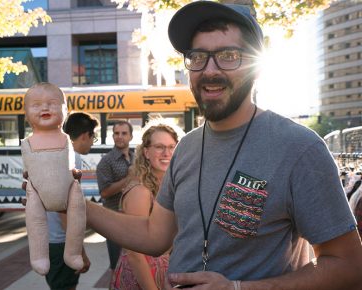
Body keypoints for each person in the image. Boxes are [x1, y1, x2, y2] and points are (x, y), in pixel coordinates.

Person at [28, 2, 362, 289]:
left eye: (229, 56)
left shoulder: (299, 148)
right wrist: (70, 203)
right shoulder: (185, 148)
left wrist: (239, 287)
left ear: (256, 67)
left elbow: (348, 266)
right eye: (198, 56)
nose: (210, 70)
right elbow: (154, 236)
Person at [22, 82, 86, 275]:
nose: (45, 108)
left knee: (77, 213)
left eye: (52, 103)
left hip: (68, 189)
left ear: (65, 110)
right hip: (36, 193)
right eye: (36, 105)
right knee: (36, 223)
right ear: (25, 114)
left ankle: (73, 252)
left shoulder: (65, 138)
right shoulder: (27, 142)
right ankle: (39, 255)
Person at [111, 122, 182, 290]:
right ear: (146, 152)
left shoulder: (164, 184)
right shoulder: (140, 192)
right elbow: (134, 253)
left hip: (162, 272)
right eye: (159, 147)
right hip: (142, 278)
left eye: (172, 147)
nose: (167, 153)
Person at [45, 111, 98, 290]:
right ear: (85, 136)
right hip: (62, 244)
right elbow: (65, 209)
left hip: (50, 241)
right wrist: (78, 251)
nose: (92, 143)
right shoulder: (71, 159)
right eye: (93, 138)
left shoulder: (54, 154)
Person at [96, 121, 134, 271]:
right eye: (116, 133)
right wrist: (128, 179)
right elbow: (104, 192)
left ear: (130, 136)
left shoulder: (136, 157)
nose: (120, 137)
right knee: (117, 267)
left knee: (135, 265)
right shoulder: (106, 162)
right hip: (114, 221)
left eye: (124, 133)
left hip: (136, 220)